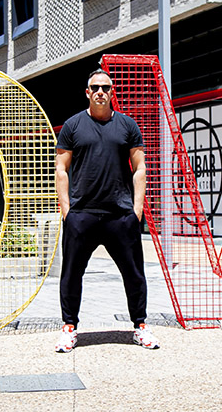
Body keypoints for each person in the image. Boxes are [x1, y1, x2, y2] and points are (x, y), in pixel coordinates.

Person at [53, 68, 159, 352]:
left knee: (134, 274)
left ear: (112, 92)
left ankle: (140, 326)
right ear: (87, 92)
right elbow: (61, 169)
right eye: (95, 87)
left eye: (106, 87)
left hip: (120, 215)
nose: (101, 91)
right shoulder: (73, 125)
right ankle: (69, 328)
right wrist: (67, 211)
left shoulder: (127, 125)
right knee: (71, 275)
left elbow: (140, 168)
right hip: (82, 215)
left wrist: (137, 210)